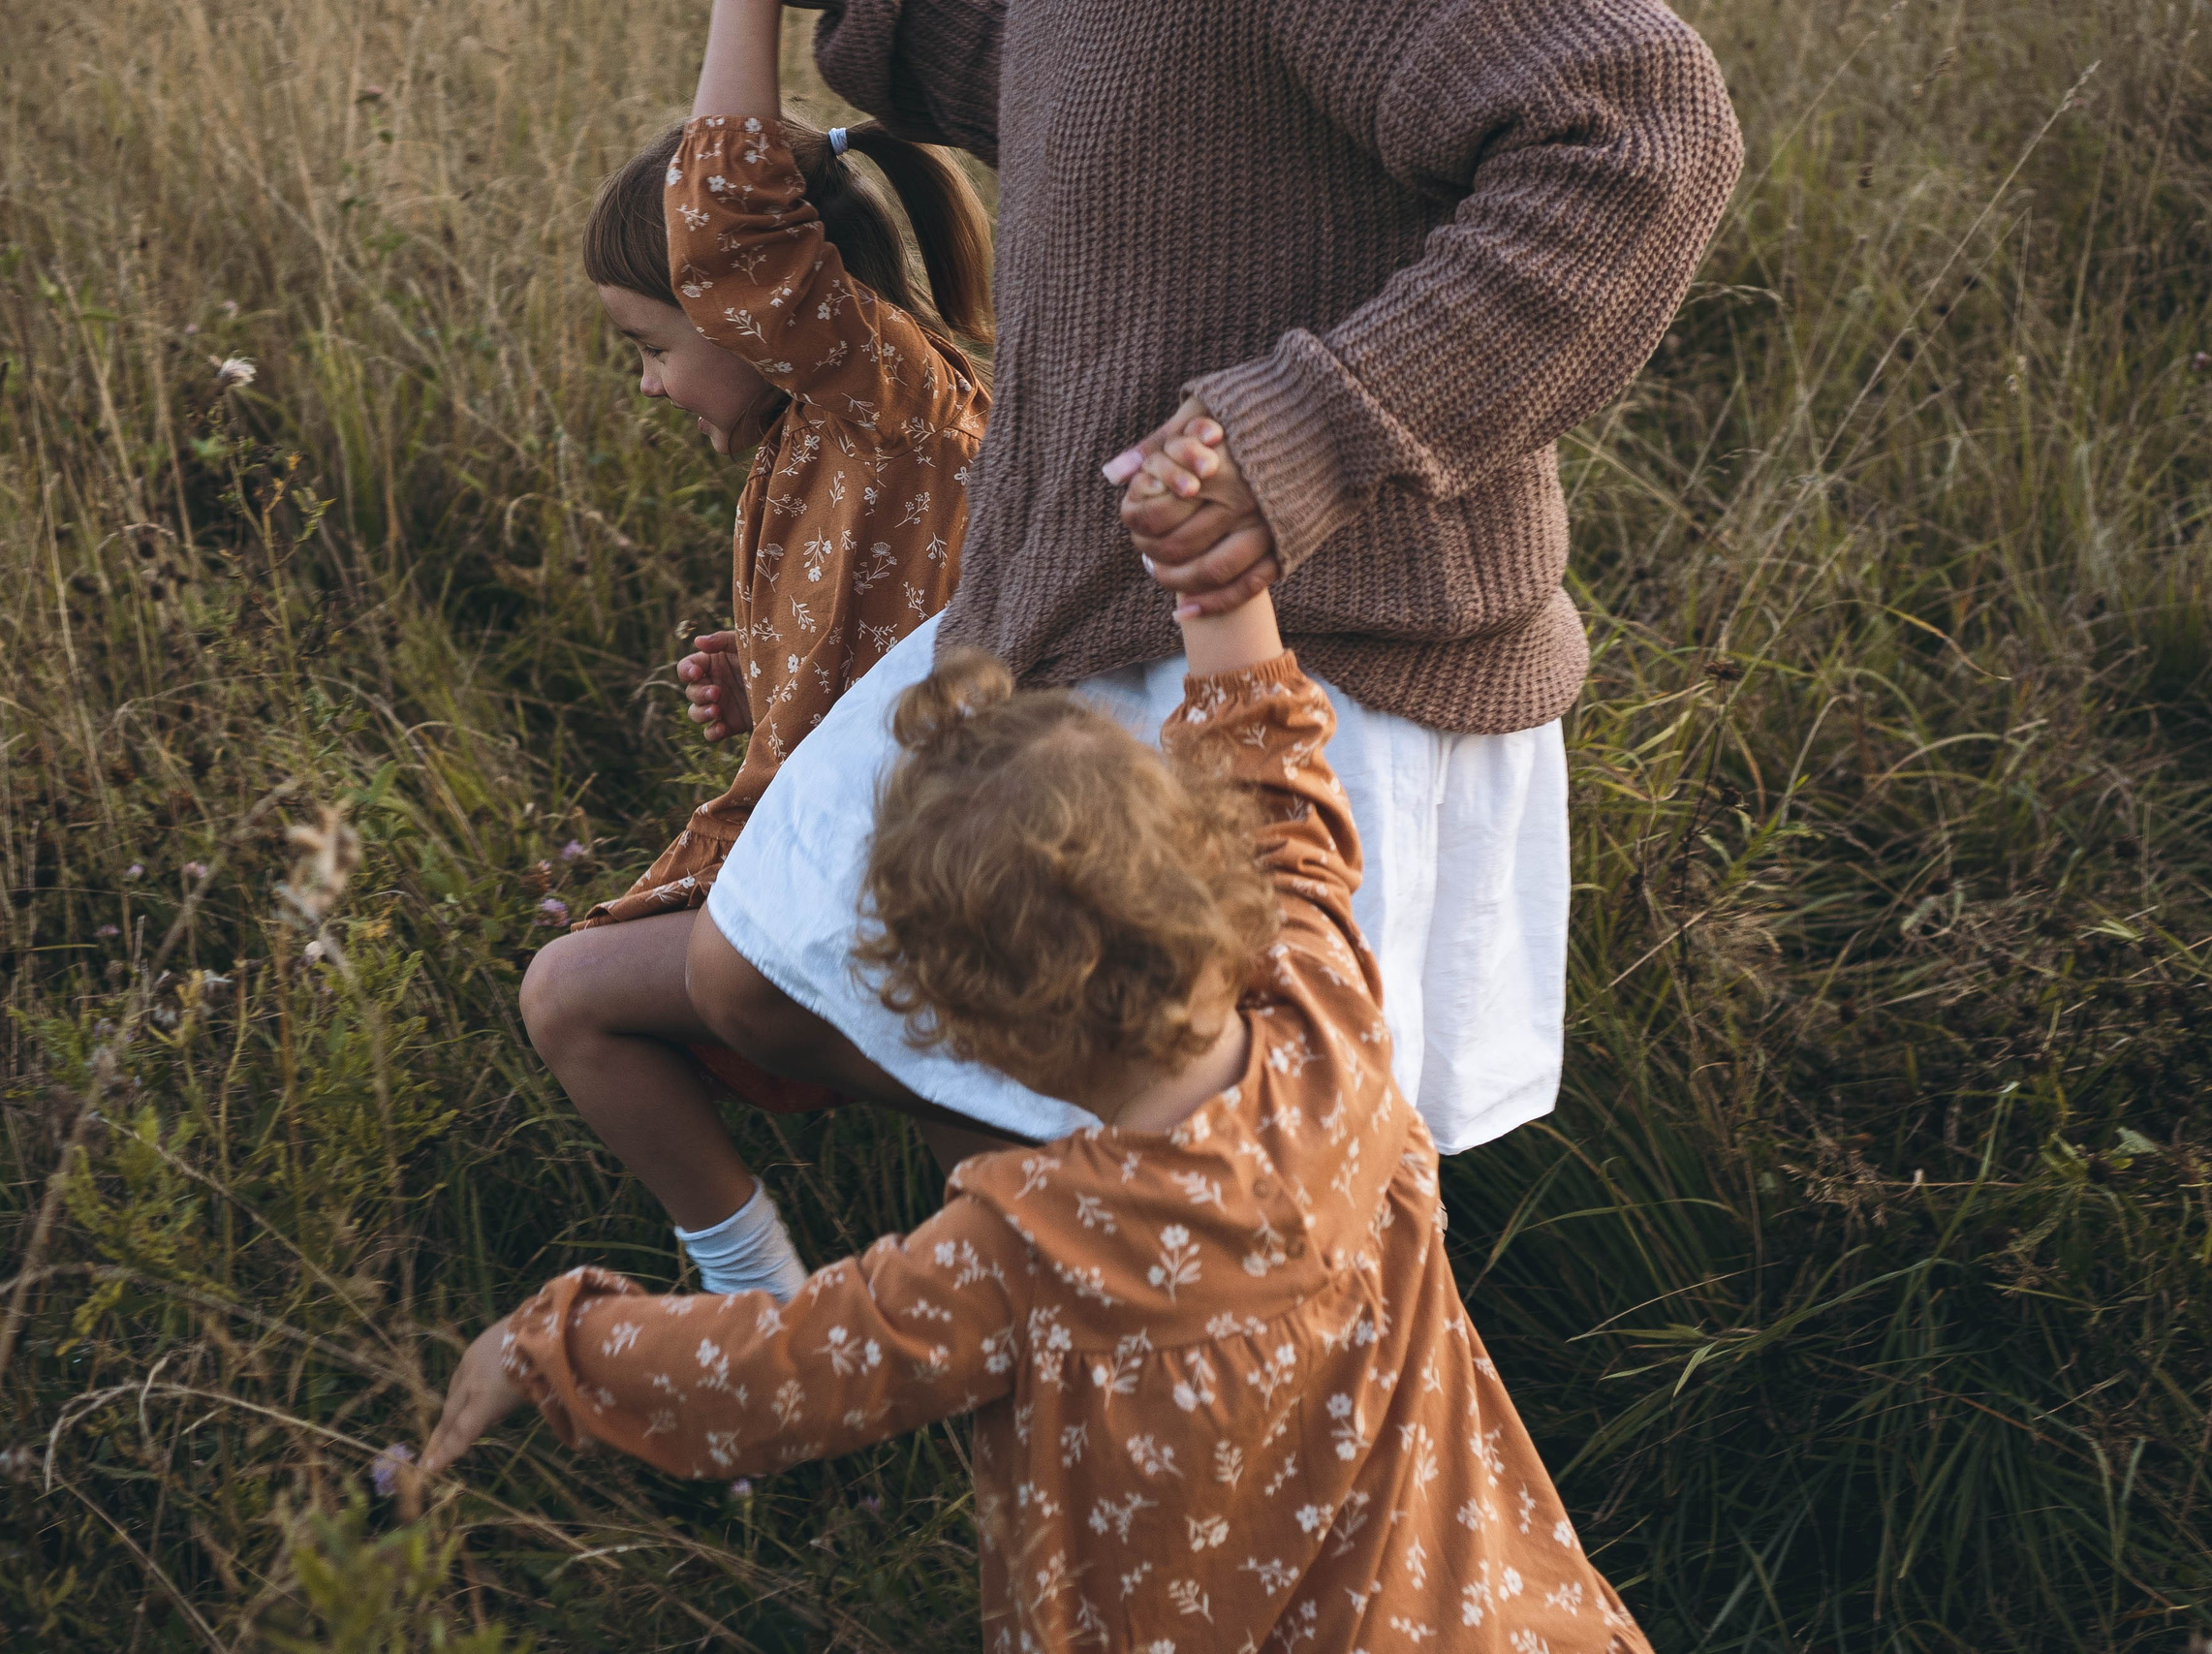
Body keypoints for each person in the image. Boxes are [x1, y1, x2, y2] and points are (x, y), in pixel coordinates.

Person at [421, 578, 1656, 1652]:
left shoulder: (1020, 1253)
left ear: (959, 1033)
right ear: (1208, 866)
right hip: (1484, 1615)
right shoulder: (1329, 1024)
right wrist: (1214, 582)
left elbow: (768, 1378)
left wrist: (550, 1342)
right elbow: (1279, 773)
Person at [677, 0, 1746, 1161]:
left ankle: (1135, 1312)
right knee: (765, 979)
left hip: (1315, 634)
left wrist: (1313, 428)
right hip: (1049, 602)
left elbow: (1641, 132)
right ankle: (1048, 1284)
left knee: (1266, 1178)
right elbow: (1051, 81)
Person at [518, 0, 993, 1301]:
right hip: (885, 850)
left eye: (653, 347)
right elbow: (905, 626)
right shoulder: (821, 438)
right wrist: (774, 678)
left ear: (759, 305)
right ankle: (862, 1328)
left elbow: (725, 214)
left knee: (570, 997)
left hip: (925, 876)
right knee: (1003, 1188)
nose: (651, 384)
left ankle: (766, 1311)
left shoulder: (887, 398)